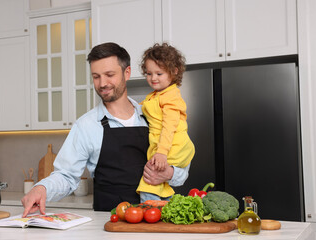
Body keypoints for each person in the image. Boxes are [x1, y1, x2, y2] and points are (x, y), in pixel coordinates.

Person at [21, 42, 191, 216]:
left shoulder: (153, 115)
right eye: (96, 76)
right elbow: (66, 176)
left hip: (155, 221)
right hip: (109, 224)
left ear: (127, 73)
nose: (102, 83)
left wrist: (168, 173)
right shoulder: (86, 125)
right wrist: (41, 189)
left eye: (109, 75)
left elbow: (182, 169)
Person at [136, 43, 195, 202]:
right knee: (156, 178)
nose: (153, 78)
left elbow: (169, 127)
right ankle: (163, 204)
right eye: (149, 73)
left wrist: (161, 152)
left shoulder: (171, 97)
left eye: (159, 73)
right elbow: (145, 107)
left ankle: (151, 206)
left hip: (172, 145)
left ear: (174, 71)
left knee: (151, 177)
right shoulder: (156, 95)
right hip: (166, 145)